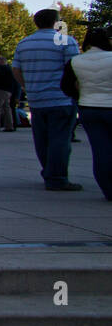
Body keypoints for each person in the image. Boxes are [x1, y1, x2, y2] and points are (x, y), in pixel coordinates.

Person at [13, 9, 82, 191]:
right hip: (61, 98)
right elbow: (74, 69)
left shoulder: (24, 43)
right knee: (60, 139)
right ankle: (57, 177)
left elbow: (16, 69)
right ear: (56, 22)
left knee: (42, 140)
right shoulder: (66, 41)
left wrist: (28, 86)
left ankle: (48, 171)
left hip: (36, 99)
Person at [63, 28, 112, 200]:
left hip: (89, 106)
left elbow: (66, 87)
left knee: (100, 150)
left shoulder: (75, 61)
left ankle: (108, 189)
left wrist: (80, 94)